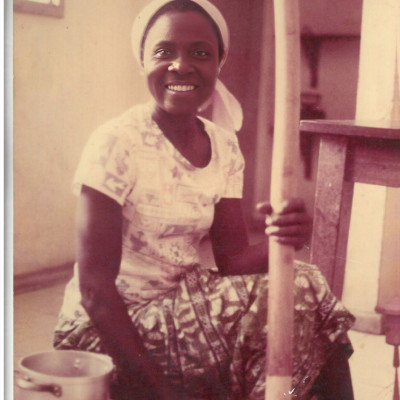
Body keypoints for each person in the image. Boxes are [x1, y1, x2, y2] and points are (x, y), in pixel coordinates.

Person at [53, 1, 355, 399]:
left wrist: (285, 235)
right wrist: (159, 393)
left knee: (303, 283)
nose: (181, 65)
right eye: (164, 52)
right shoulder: (116, 142)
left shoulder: (224, 146)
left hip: (179, 308)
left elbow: (232, 260)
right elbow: (95, 291)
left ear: (218, 65)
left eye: (200, 53)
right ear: (142, 62)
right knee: (295, 295)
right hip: (106, 331)